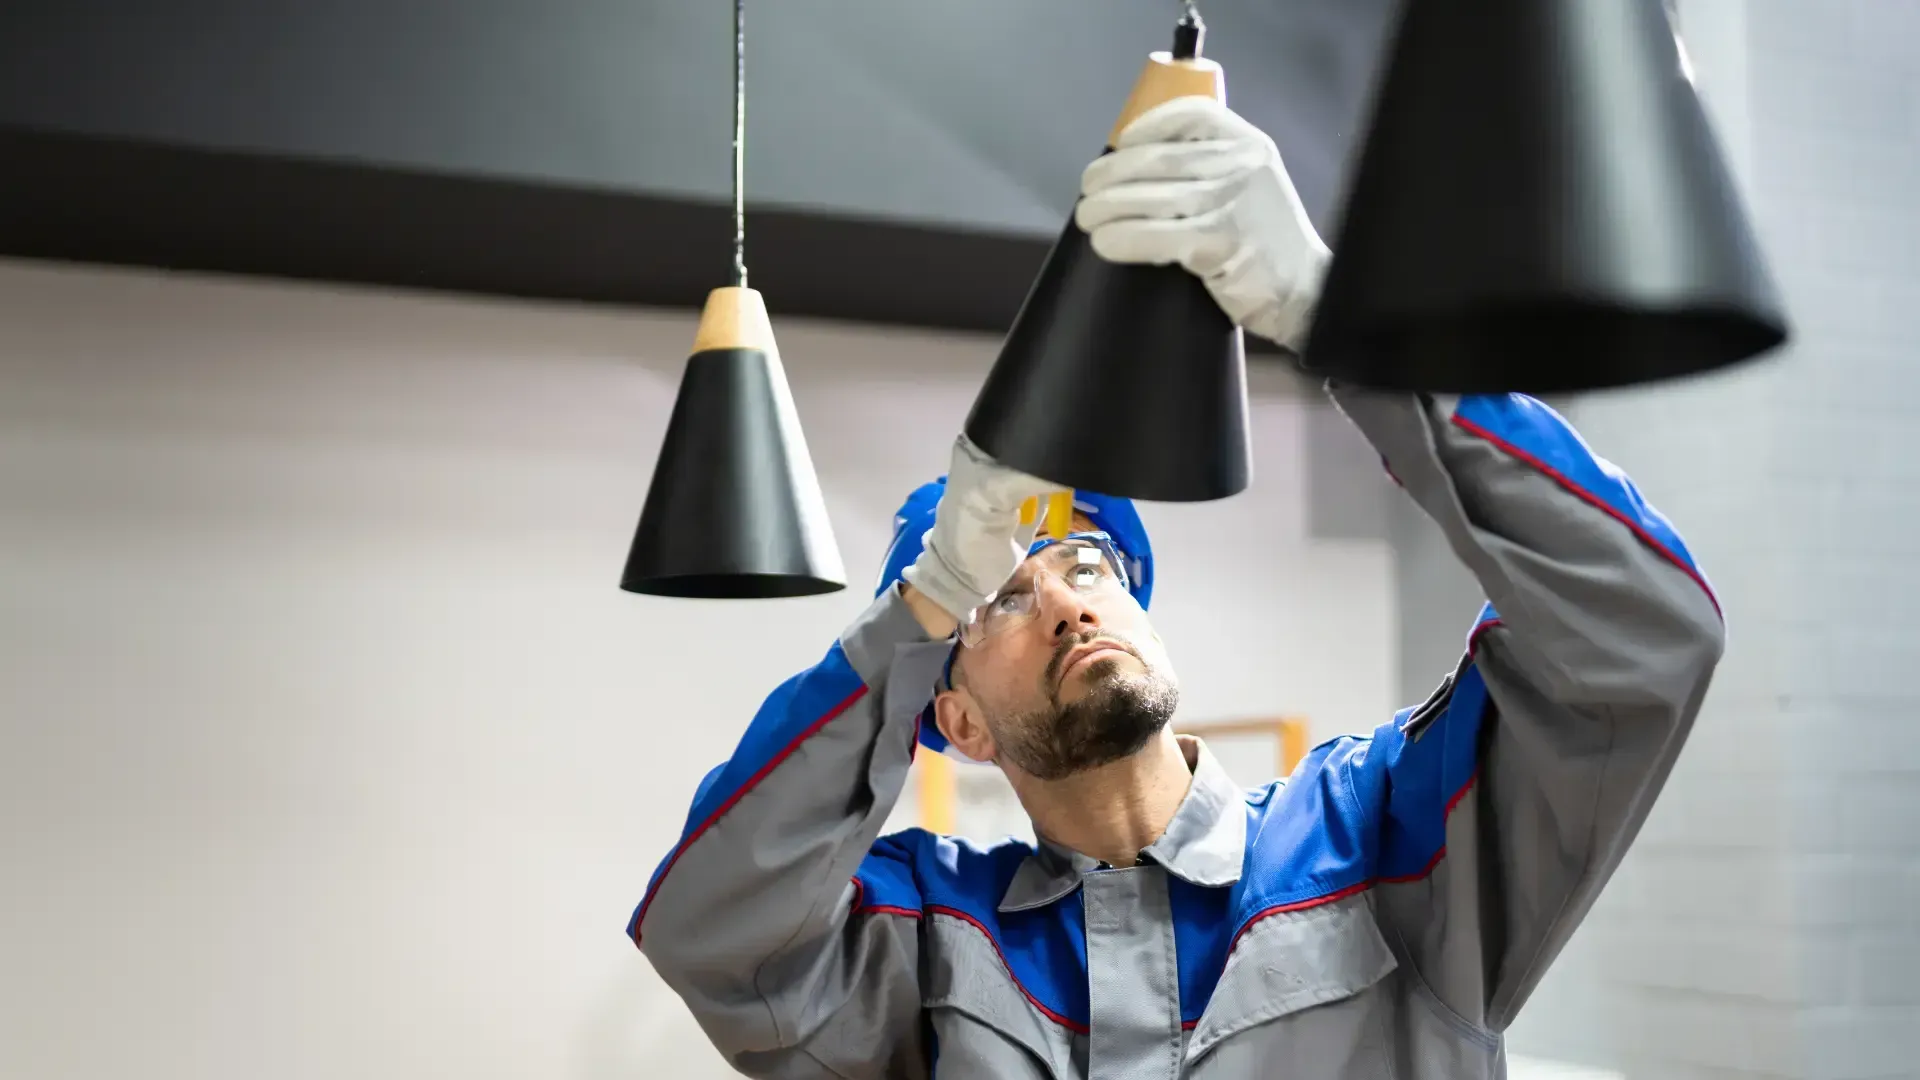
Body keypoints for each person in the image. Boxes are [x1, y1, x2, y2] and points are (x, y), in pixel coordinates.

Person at [626, 95, 1724, 1079]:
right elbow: (713, 937)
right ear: (950, 716)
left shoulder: (1381, 836)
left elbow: (1642, 636)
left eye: (1092, 564)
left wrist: (1351, 334)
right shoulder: (920, 936)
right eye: (999, 596)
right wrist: (921, 602)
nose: (1066, 600)